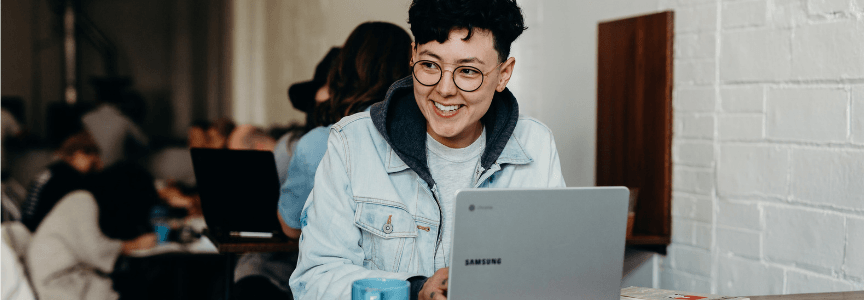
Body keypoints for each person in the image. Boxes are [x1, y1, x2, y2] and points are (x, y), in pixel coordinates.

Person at [288, 1, 565, 299]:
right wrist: (414, 290)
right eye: (430, 65)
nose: (445, 89)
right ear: (412, 56)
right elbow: (315, 279)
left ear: (504, 74)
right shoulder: (352, 143)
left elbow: (556, 272)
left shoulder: (536, 144)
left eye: (468, 71)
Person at [276, 21, 413, 240]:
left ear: (342, 69)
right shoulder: (425, 133)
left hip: (341, 267)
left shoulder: (319, 143)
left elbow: (291, 226)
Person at [27, 163, 159, 300]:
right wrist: (131, 245)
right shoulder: (82, 201)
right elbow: (94, 251)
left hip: (74, 278)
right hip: (58, 284)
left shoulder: (87, 200)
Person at [21, 131, 102, 231]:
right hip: (42, 231)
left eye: (94, 153)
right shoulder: (68, 176)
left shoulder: (53, 170)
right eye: (87, 152)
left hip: (29, 227)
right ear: (73, 153)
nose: (92, 158)